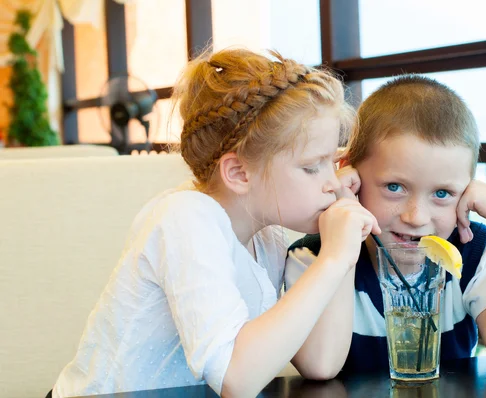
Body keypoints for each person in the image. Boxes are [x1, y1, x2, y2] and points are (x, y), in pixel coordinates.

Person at [50, 48, 380, 398]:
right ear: (238, 172)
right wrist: (332, 260)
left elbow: (321, 363)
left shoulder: (265, 235)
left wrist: (341, 248)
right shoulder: (185, 218)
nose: (332, 181)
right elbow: (237, 379)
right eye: (313, 166)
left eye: (334, 161)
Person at [286, 75, 486, 375]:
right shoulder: (312, 259)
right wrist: (343, 225)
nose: (416, 217)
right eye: (395, 187)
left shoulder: (474, 253)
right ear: (351, 176)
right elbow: (320, 367)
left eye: (442, 193)